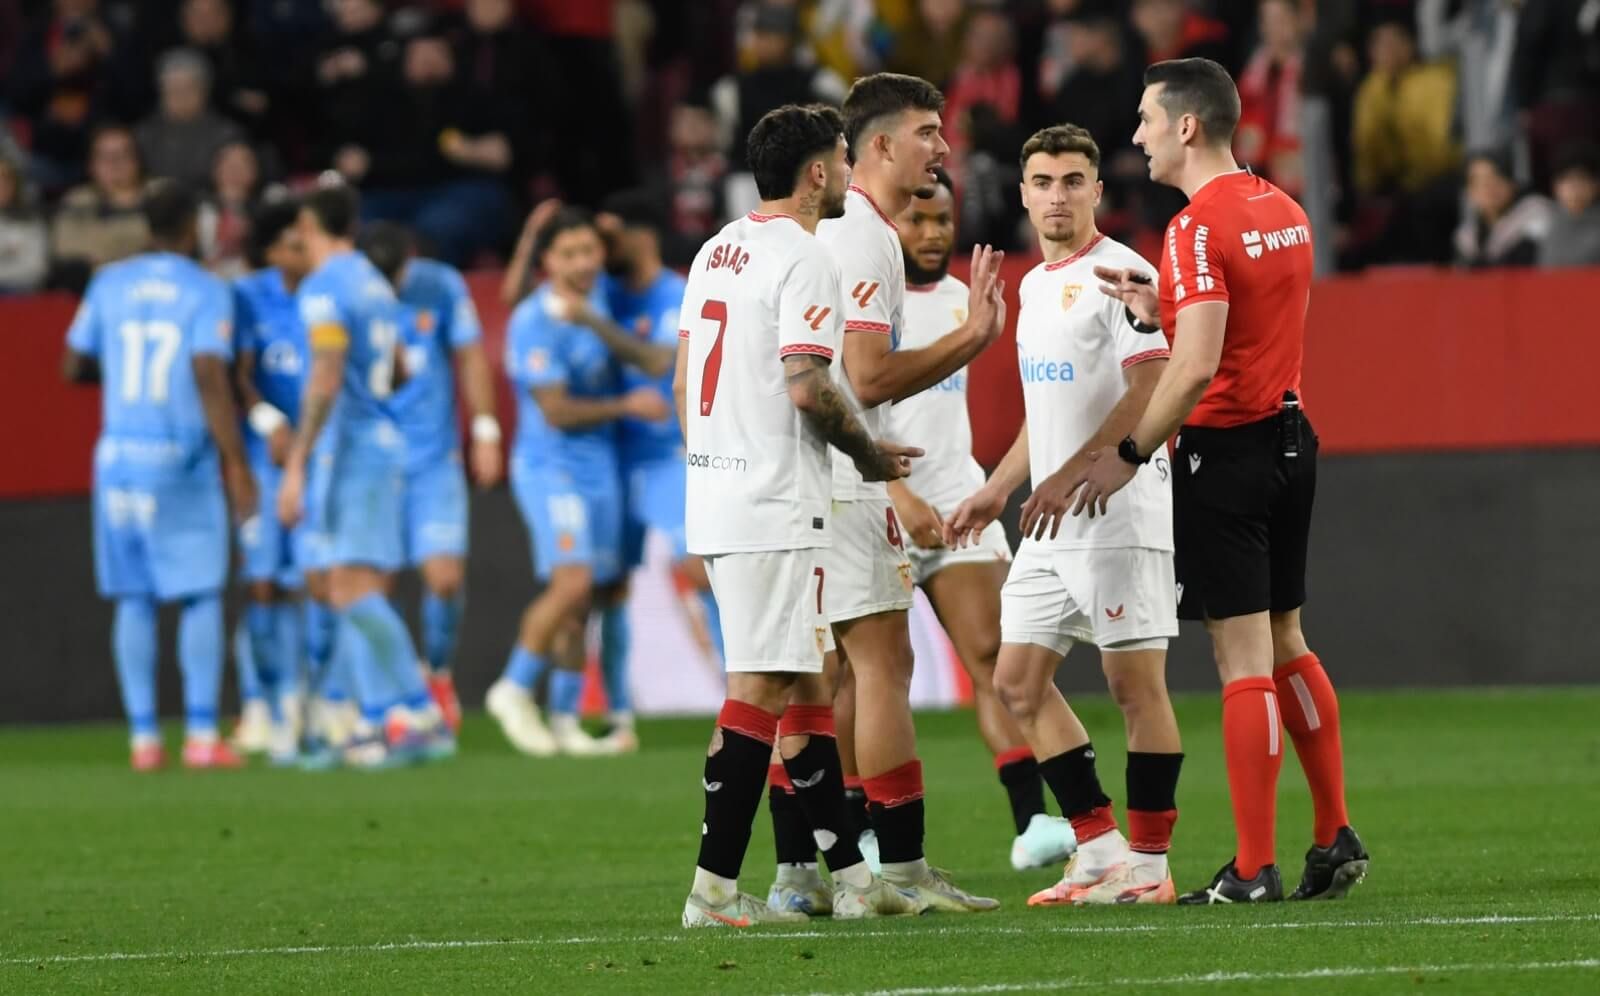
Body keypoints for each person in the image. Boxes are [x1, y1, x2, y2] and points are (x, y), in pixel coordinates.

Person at [1073, 58, 1368, 904]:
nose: (1137, 136)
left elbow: (1198, 366)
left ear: (1187, 127)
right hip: (1291, 438)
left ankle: (1249, 867)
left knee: (1241, 660)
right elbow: (1249, 323)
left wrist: (1128, 454)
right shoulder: (1282, 207)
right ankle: (1332, 833)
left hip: (1224, 453)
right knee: (1288, 641)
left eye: (1145, 120)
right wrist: (1163, 303)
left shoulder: (1196, 227)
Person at [676, 102, 924, 928]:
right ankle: (713, 890)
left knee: (802, 681)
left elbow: (683, 386)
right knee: (758, 689)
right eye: (846, 159)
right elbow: (810, 384)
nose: (852, 174)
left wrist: (713, 463)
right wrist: (867, 458)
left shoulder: (716, 250)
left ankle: (852, 878)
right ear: (817, 172)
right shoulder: (805, 255)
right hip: (775, 502)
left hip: (720, 492)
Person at [948, 123, 1185, 906]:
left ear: (1097, 191)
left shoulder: (1125, 272)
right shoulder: (1035, 283)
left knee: (1132, 686)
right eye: (1043, 182)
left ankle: (1148, 867)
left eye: (1072, 181)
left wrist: (1080, 472)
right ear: (1022, 195)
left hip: (1119, 512)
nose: (1057, 196)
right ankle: (1098, 848)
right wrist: (999, 485)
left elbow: (1152, 388)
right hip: (1048, 521)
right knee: (1015, 681)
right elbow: (1041, 416)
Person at [813, 72, 1005, 913]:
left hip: (809, 477)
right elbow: (866, 375)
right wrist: (971, 338)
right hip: (849, 481)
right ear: (881, 145)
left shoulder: (836, 230)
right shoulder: (865, 236)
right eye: (929, 131)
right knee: (878, 668)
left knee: (810, 679)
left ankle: (820, 873)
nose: (943, 146)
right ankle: (896, 870)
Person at [879, 166, 1075, 872]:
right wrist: (897, 496)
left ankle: (1033, 823)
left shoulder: (968, 299)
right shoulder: (865, 299)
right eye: (917, 220)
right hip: (877, 508)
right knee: (872, 678)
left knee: (995, 658)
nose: (931, 234)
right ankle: (865, 834)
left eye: (942, 221)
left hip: (958, 504)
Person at [60, 180, 255, 771]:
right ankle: (200, 735)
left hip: (118, 460)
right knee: (198, 593)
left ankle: (143, 740)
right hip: (180, 460)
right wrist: (237, 464)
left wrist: (119, 374)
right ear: (192, 225)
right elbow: (207, 372)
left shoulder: (110, 282)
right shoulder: (206, 290)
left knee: (133, 596)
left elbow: (71, 364)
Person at [275, 184, 455, 769]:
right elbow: (400, 368)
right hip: (381, 442)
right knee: (347, 588)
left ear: (307, 224)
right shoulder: (374, 284)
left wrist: (297, 462)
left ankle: (417, 711)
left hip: (347, 449)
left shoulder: (324, 288)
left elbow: (325, 376)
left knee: (348, 589)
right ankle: (377, 718)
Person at [487, 208, 658, 757]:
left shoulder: (600, 297)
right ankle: (512, 688)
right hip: (549, 467)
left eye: (589, 251)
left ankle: (562, 720)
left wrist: (592, 318)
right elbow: (556, 411)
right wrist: (626, 403)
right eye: (569, 255)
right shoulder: (533, 322)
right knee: (571, 583)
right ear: (547, 264)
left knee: (584, 602)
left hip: (599, 466)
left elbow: (645, 352)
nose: (584, 263)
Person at [581, 188, 716, 747]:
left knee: (703, 569)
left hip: (666, 454)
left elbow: (662, 361)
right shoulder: (601, 291)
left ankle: (753, 700)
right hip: (611, 455)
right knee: (609, 585)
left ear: (641, 234)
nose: (600, 249)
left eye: (610, 236)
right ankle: (618, 717)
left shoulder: (676, 294)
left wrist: (589, 320)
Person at [357, 222, 503, 733]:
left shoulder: (440, 284)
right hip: (371, 461)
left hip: (432, 458)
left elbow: (469, 355)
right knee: (379, 583)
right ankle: (392, 691)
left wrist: (484, 430)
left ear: (409, 260)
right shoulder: (349, 289)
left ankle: (437, 674)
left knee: (444, 579)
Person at [230, 199, 316, 763]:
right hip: (264, 458)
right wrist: (265, 419)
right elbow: (231, 370)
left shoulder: (326, 293)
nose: (303, 251)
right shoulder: (248, 296)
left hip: (314, 458)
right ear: (269, 251)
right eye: (293, 242)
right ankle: (258, 701)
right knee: (262, 584)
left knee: (308, 581)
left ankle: (304, 700)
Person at [1454, 148, 1556, 268]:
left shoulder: (1536, 213)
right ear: (1469, 192)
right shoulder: (1467, 236)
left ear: (1512, 182)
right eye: (1479, 181)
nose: (1489, 187)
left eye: (1496, 177)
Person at [1541, 144, 1600, 268]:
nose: (1575, 188)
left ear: (1595, 185)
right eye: (1567, 180)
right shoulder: (1544, 221)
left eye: (1582, 180)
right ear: (1556, 186)